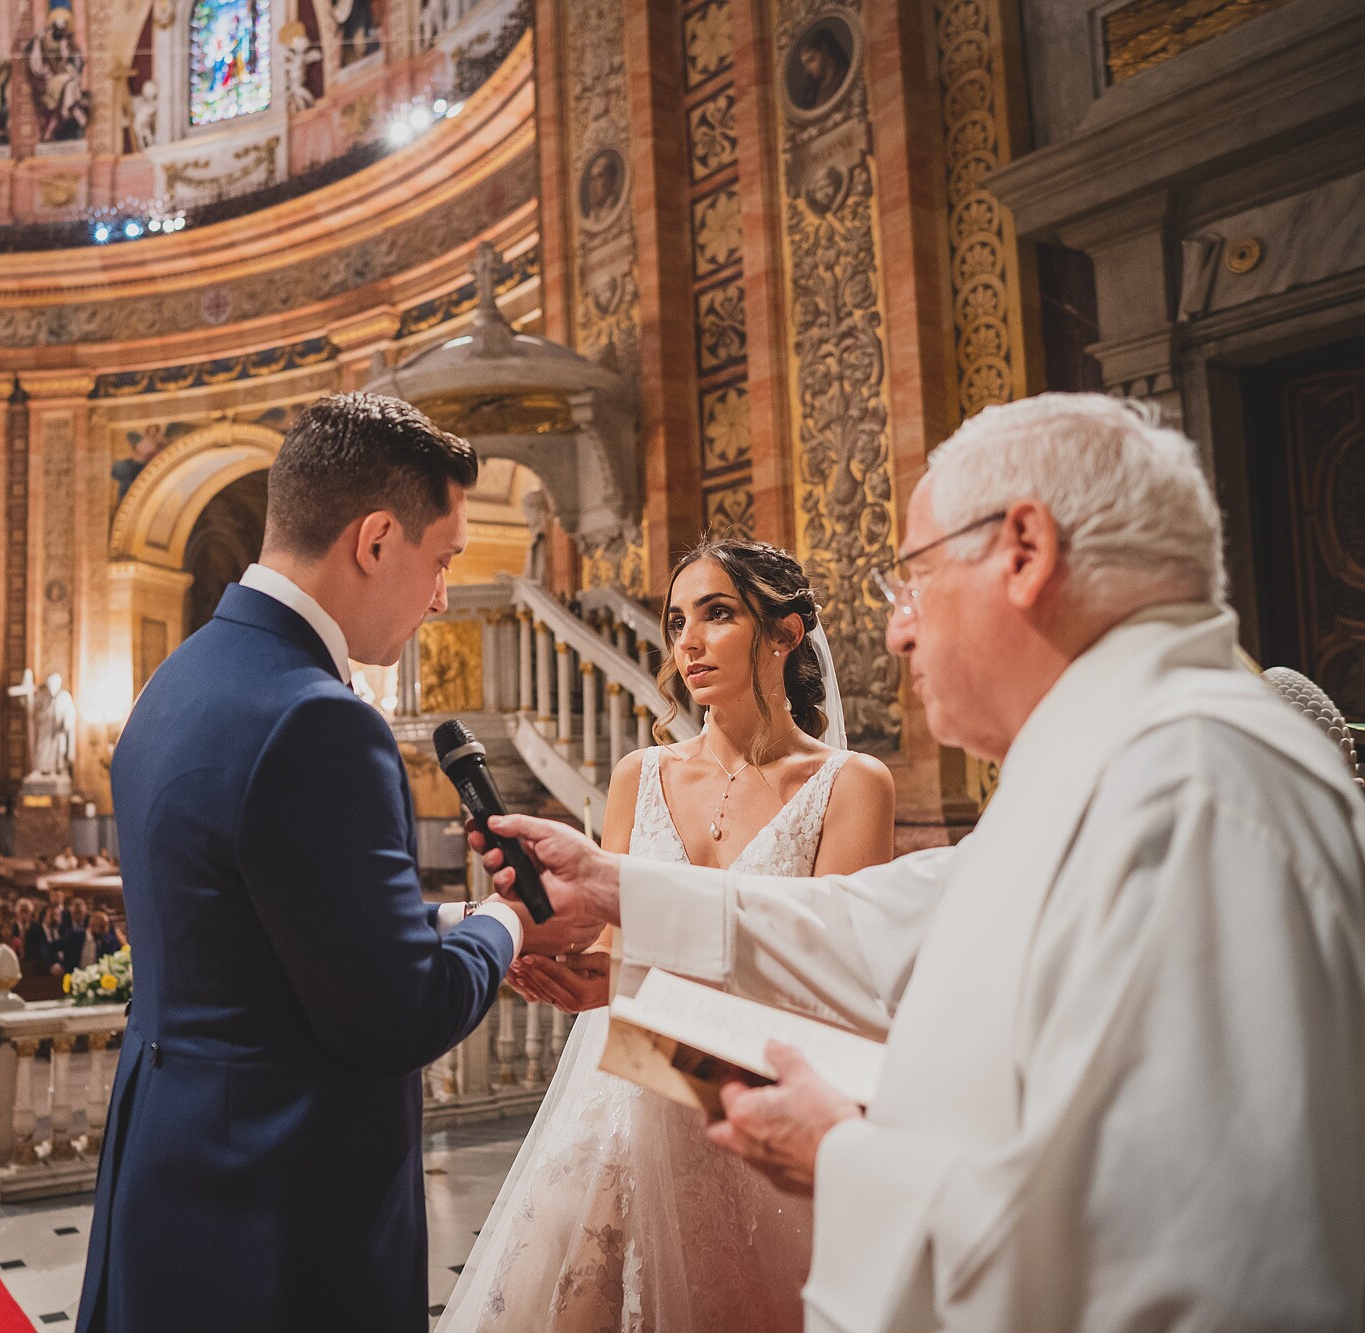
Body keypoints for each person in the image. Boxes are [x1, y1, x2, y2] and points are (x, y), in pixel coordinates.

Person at [472, 394, 1365, 1331]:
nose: (900, 630)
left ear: (1025, 550)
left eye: (917, 577)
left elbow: (1214, 1261)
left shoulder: (1198, 787)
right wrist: (617, 889)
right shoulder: (1112, 760)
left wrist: (848, 1162)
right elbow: (878, 922)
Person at [77, 392, 572, 1333]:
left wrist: (423, 921)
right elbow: (402, 1013)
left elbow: (261, 929)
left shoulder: (175, 680)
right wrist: (504, 918)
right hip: (280, 1211)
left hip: (171, 1169)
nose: (439, 597)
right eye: (442, 562)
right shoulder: (320, 716)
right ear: (376, 539)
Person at [439, 539, 894, 1332]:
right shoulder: (638, 774)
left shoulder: (851, 786)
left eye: (718, 614)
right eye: (678, 618)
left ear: (785, 634)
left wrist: (626, 984)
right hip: (622, 1108)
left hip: (753, 1116)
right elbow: (619, 954)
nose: (686, 641)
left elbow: (829, 992)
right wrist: (550, 942)